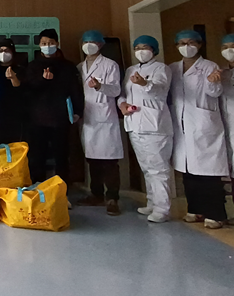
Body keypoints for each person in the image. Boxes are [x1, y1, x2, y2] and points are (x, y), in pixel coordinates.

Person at [169, 30, 230, 229]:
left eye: (191, 42)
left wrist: (213, 82)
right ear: (176, 46)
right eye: (182, 43)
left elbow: (215, 92)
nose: (187, 47)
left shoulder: (209, 66)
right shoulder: (173, 68)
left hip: (204, 124)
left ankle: (216, 214)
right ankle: (195, 209)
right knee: (188, 172)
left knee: (208, 174)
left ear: (200, 44)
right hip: (182, 125)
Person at [118, 35, 173, 223]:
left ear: (154, 50)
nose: (141, 51)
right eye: (138, 48)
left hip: (155, 126)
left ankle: (162, 208)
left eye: (145, 47)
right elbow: (123, 93)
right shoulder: (131, 70)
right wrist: (122, 105)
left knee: (158, 169)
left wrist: (145, 83)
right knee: (146, 168)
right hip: (134, 124)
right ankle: (151, 202)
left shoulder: (161, 69)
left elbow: (160, 90)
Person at [25, 28, 84, 194]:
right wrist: (43, 80)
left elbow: (75, 90)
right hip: (37, 118)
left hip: (60, 117)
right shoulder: (33, 65)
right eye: (44, 43)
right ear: (39, 45)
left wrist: (78, 111)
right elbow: (28, 89)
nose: (47, 46)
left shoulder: (68, 66)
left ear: (57, 44)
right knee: (38, 156)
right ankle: (38, 190)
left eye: (50, 43)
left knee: (62, 156)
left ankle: (62, 191)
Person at [75, 30, 123, 216]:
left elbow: (116, 90)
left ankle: (112, 198)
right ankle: (96, 194)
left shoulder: (110, 65)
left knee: (109, 161)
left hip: (105, 117)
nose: (89, 45)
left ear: (101, 45)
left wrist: (100, 86)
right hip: (87, 117)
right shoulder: (80, 67)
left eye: (93, 42)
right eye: (85, 42)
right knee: (92, 159)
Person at [0, 38, 26, 145]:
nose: (3, 53)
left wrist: (14, 79)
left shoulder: (20, 69)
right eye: (0, 51)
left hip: (14, 114)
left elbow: (24, 92)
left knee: (13, 145)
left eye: (6, 50)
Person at [218, 34, 234, 198]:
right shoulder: (222, 73)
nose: (229, 51)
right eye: (225, 47)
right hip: (227, 124)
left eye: (232, 46)